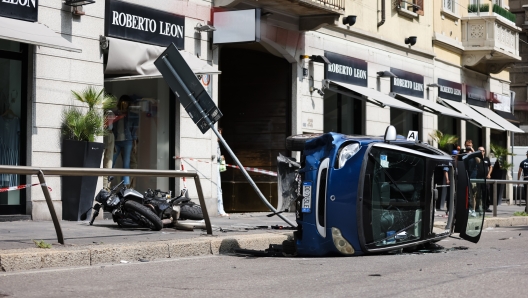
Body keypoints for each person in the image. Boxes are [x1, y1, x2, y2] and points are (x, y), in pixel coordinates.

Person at [112, 95, 139, 187]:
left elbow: (134, 130)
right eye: (123, 102)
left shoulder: (132, 115)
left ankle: (125, 186)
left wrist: (135, 144)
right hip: (116, 140)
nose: (125, 104)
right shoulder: (115, 114)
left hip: (128, 140)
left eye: (127, 103)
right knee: (112, 161)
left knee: (126, 164)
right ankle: (108, 181)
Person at [217, 128, 229, 217]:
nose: (220, 136)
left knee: (219, 189)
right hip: (215, 167)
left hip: (217, 166)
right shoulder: (215, 144)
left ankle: (220, 210)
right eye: (219, 134)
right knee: (218, 189)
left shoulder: (217, 144)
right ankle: (220, 210)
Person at [478, 146, 493, 212]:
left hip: (485, 178)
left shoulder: (486, 159)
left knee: (486, 193)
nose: (482, 152)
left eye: (483, 151)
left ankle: (486, 207)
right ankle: (478, 207)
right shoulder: (477, 159)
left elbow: (490, 167)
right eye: (480, 150)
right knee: (478, 193)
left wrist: (489, 174)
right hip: (478, 178)